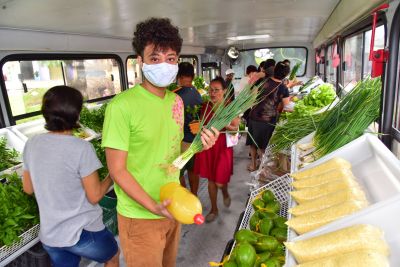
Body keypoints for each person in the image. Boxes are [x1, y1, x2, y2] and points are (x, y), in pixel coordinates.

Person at [101, 17, 219, 267]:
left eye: (171, 58)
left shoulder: (175, 102)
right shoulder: (122, 106)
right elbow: (117, 169)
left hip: (173, 204)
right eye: (155, 58)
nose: (164, 65)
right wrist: (153, 206)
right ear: (140, 61)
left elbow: (175, 158)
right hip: (140, 215)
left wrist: (199, 145)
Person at [22, 85, 119, 267]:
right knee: (112, 256)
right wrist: (112, 175)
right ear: (77, 114)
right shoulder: (81, 148)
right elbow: (95, 196)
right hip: (83, 233)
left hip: (51, 236)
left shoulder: (32, 143)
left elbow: (28, 189)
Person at [194, 77, 240, 223]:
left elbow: (235, 129)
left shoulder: (230, 107)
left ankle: (224, 192)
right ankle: (214, 209)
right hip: (209, 146)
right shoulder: (205, 106)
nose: (213, 93)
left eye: (216, 90)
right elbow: (202, 124)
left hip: (223, 146)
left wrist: (225, 124)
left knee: (220, 180)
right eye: (211, 90)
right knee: (211, 180)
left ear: (224, 91)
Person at [246, 62, 291, 171]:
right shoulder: (283, 89)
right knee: (263, 146)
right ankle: (263, 169)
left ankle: (253, 165)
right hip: (267, 121)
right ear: (285, 75)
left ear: (275, 71)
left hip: (254, 115)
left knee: (253, 143)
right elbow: (287, 106)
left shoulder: (263, 81)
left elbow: (252, 86)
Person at [174, 62, 203, 195]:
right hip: (196, 141)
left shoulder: (175, 96)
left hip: (181, 143)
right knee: (193, 170)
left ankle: (185, 196)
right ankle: (194, 195)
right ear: (193, 76)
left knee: (178, 172)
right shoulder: (198, 94)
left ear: (178, 76)